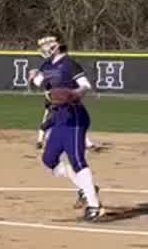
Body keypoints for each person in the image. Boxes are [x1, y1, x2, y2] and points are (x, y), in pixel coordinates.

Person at [29, 35, 103, 222]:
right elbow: (44, 84)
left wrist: (74, 94)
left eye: (46, 44)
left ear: (56, 46)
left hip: (75, 115)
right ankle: (86, 188)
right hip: (59, 116)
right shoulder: (47, 66)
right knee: (49, 159)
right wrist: (33, 77)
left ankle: (94, 206)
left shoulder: (70, 64)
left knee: (77, 159)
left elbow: (86, 85)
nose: (43, 48)